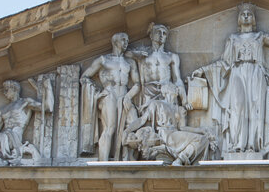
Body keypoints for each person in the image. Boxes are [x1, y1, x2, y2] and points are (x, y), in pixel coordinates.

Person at [193, 3, 269, 155]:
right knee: (238, 107)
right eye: (243, 14)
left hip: (256, 74)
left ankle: (254, 145)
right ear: (239, 19)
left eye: (249, 14)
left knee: (256, 108)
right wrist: (202, 70)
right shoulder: (233, 39)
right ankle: (237, 144)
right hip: (237, 73)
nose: (246, 16)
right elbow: (224, 62)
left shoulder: (260, 37)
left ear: (253, 19)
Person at [80, 32, 140, 160]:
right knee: (110, 128)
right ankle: (104, 161)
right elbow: (85, 77)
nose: (126, 43)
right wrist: (96, 91)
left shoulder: (130, 63)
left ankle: (127, 158)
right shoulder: (103, 60)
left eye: (127, 40)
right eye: (123, 40)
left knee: (134, 123)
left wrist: (128, 96)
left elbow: (137, 84)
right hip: (110, 94)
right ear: (115, 42)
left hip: (125, 94)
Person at [0, 78, 53, 166]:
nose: (4, 93)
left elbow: (48, 108)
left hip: (14, 136)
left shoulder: (25, 102)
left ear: (14, 89)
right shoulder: (2, 110)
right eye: (4, 91)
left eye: (6, 90)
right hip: (3, 135)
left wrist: (48, 88)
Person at [137, 23, 188, 109]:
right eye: (158, 32)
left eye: (164, 33)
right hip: (149, 92)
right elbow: (126, 54)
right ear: (151, 36)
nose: (161, 35)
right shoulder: (143, 55)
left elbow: (177, 80)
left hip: (166, 91)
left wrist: (184, 100)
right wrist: (136, 54)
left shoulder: (171, 56)